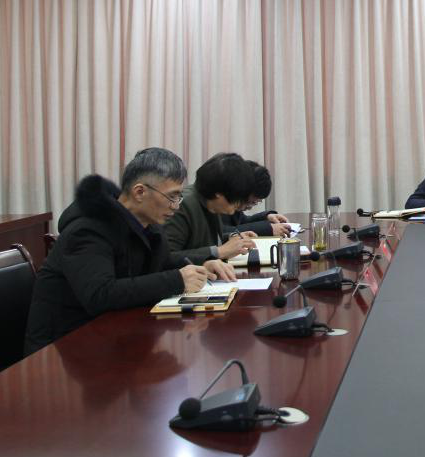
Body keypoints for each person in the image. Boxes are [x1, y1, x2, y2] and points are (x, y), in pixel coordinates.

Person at [25, 148, 235, 353]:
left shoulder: (148, 227)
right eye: (172, 197)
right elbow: (100, 295)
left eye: (178, 197)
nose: (176, 206)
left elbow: (161, 265)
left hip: (113, 336)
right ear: (139, 192)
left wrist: (201, 265)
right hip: (63, 348)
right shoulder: (88, 230)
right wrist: (178, 280)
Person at [164, 153, 260, 263]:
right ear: (219, 193)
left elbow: (199, 241)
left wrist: (231, 238)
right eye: (238, 199)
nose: (240, 206)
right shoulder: (182, 205)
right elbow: (167, 258)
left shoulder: (211, 203)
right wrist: (219, 252)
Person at [220, 160, 292, 237]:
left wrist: (267, 217)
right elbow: (221, 231)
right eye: (252, 202)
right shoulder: (218, 201)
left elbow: (242, 221)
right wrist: (268, 229)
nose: (249, 207)